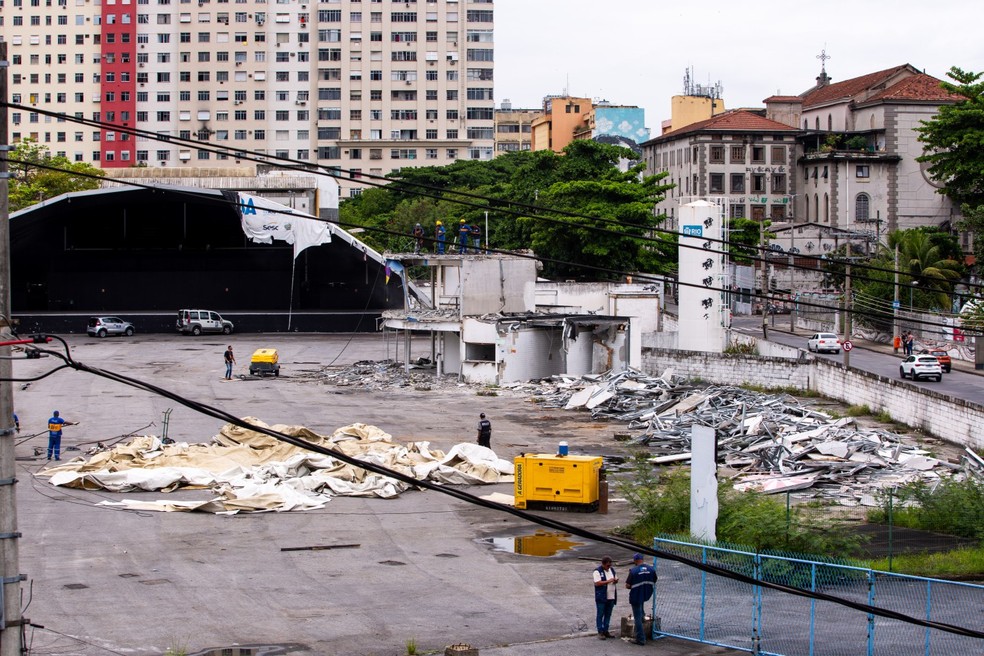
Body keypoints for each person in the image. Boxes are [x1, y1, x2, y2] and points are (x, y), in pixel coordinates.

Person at [625, 552, 657, 645]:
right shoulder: (651, 569)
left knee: (637, 617)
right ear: (642, 559)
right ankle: (643, 622)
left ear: (635, 560)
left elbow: (627, 585)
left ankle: (640, 639)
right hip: (646, 594)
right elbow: (655, 579)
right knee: (641, 612)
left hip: (636, 596)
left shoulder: (633, 571)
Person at [592, 556, 618, 639]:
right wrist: (609, 581)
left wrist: (615, 580)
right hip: (602, 597)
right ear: (603, 564)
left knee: (608, 614)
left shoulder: (612, 570)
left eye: (610, 565)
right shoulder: (597, 571)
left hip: (611, 596)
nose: (609, 567)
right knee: (600, 614)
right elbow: (597, 583)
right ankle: (600, 631)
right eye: (607, 565)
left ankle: (606, 630)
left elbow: (616, 579)